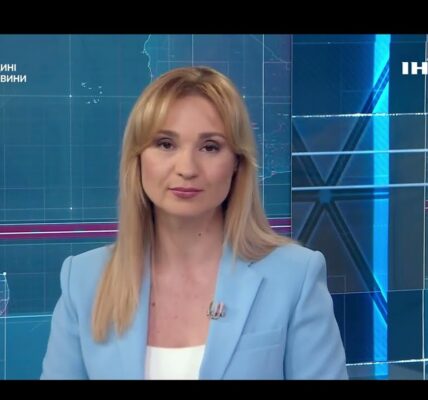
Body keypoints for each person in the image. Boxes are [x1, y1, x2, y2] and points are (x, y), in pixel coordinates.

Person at [40, 66, 348, 380]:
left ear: (237, 163)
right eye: (165, 144)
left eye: (210, 147)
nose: (187, 168)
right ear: (138, 157)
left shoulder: (295, 276)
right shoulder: (84, 280)